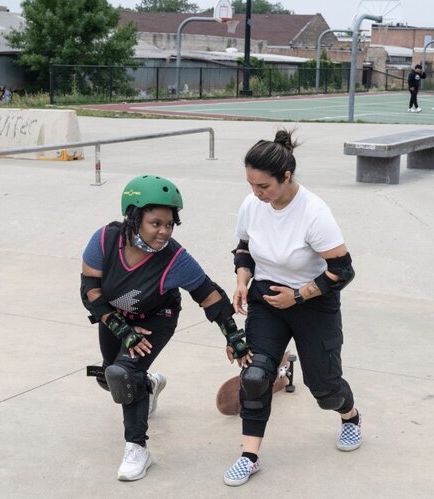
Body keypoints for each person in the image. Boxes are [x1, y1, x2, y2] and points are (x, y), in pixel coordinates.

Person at [80, 175, 251, 482]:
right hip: (115, 317)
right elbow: (90, 291)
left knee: (124, 374)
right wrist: (121, 329)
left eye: (169, 224)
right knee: (111, 377)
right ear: (133, 217)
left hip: (157, 317)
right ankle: (149, 385)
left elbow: (209, 295)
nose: (163, 232)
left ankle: (137, 447)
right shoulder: (105, 240)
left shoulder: (175, 259)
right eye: (155, 223)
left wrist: (233, 337)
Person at [222, 130, 360, 487]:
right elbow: (244, 247)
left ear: (286, 177)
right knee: (254, 377)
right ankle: (249, 456)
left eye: (264, 186)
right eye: (251, 184)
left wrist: (298, 296)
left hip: (313, 303)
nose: (257, 193)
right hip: (267, 300)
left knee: (325, 388)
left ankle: (350, 417)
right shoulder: (253, 205)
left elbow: (342, 271)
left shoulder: (314, 213)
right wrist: (241, 280)